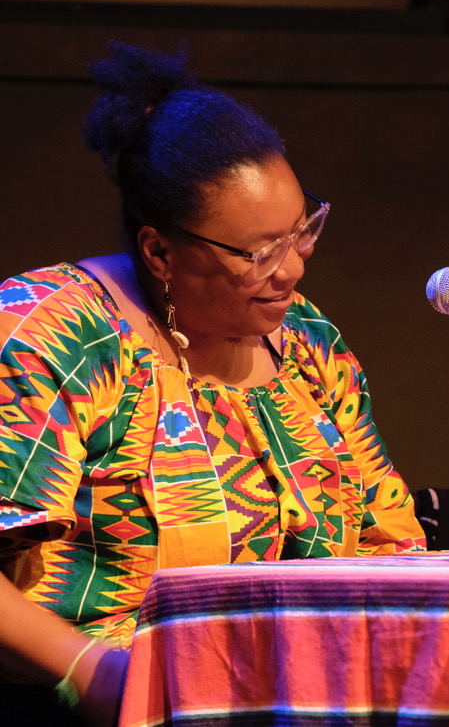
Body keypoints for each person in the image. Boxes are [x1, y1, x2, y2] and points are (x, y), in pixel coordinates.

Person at [0, 43, 426, 725]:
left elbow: (388, 541)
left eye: (301, 232)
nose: (293, 270)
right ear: (161, 251)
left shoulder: (309, 344)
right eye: (260, 252)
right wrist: (94, 670)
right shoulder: (54, 334)